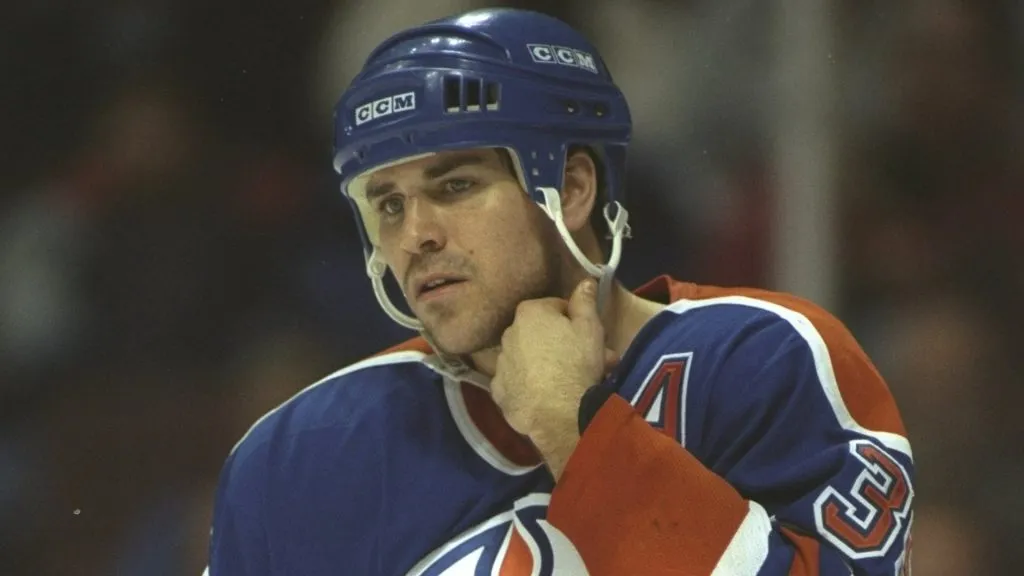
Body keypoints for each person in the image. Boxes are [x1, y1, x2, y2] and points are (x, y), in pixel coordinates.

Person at [206, 8, 914, 575]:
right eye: (389, 204)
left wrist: (577, 428)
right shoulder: (301, 454)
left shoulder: (758, 363)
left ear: (571, 189)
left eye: (456, 186)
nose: (414, 235)